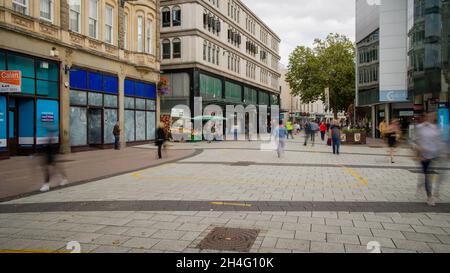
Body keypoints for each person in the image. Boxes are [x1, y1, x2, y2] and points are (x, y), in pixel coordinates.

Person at [414, 113, 443, 207]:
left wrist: (442, 153)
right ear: (424, 118)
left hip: (434, 155)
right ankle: (429, 195)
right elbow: (413, 141)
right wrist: (418, 152)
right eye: (428, 116)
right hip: (424, 156)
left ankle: (427, 192)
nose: (430, 118)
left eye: (432, 117)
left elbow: (439, 141)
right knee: (427, 175)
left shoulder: (435, 128)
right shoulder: (419, 128)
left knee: (429, 175)